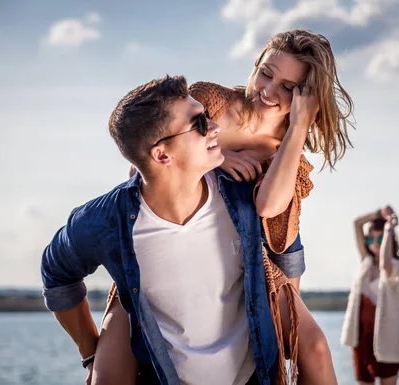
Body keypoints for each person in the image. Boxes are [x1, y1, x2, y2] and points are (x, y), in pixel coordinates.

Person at [92, 30, 354, 384]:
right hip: (164, 247)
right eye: (266, 73)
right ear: (256, 65)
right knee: (106, 373)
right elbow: (147, 163)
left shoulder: (288, 155)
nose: (269, 91)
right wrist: (217, 158)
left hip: (254, 258)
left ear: (307, 96)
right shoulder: (208, 102)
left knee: (314, 349)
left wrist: (298, 127)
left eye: (289, 87)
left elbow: (269, 207)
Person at [341, 206, 399, 385]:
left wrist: (388, 228)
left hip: (387, 340)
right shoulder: (366, 262)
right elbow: (357, 223)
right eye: (371, 238)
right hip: (361, 338)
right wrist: (379, 214)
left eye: (380, 238)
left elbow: (385, 263)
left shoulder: (398, 267)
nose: (374, 242)